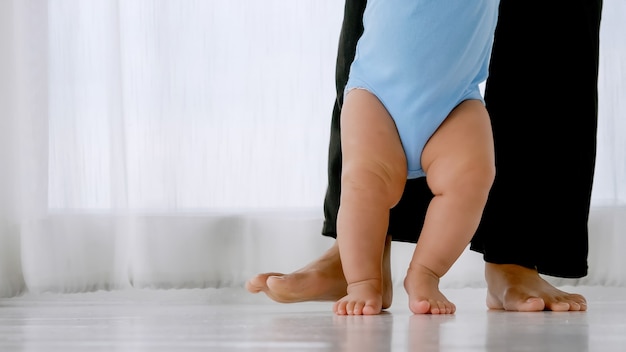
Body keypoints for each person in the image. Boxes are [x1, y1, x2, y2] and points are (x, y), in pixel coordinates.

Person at [246, 0, 602, 313]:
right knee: (366, 182)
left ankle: (430, 272)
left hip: (457, 100)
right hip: (377, 94)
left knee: (472, 175)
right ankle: (361, 274)